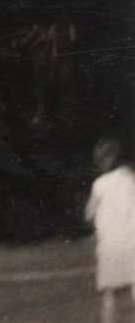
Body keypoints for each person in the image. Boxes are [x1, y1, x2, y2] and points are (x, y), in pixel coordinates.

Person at [89, 138, 135, 323]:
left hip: (110, 245)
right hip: (132, 240)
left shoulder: (99, 185)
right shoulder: (131, 179)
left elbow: (89, 213)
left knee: (109, 293)